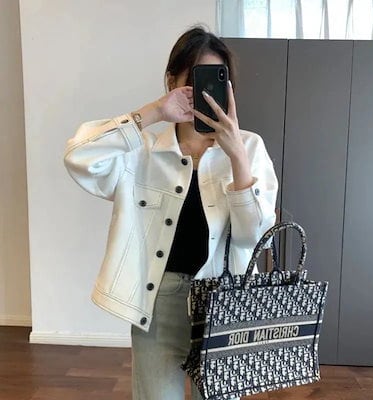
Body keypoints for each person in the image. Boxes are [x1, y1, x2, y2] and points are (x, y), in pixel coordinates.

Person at [64, 26, 278, 400]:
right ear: (171, 81)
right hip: (158, 303)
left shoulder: (249, 148)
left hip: (223, 304)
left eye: (216, 81)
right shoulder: (141, 151)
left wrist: (237, 157)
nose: (204, 93)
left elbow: (252, 237)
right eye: (194, 80)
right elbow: (78, 156)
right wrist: (153, 113)